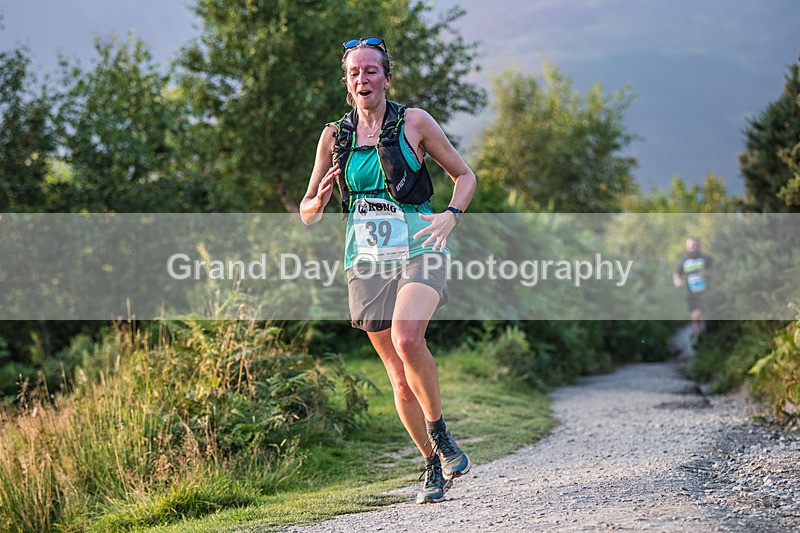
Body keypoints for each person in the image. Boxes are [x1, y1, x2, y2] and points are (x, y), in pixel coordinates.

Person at [299, 37, 477, 504]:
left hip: (420, 245)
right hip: (366, 258)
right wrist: (317, 202)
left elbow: (465, 176)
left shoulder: (414, 122)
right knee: (398, 376)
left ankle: (440, 433)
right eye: (354, 72)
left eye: (371, 70)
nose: (363, 78)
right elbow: (307, 211)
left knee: (407, 337)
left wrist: (451, 215)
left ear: (387, 78)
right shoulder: (334, 136)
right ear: (347, 82)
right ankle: (431, 464)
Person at [673, 236, 713, 344]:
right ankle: (698, 339)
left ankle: (709, 338)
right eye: (690, 245)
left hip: (707, 293)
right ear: (686, 247)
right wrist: (677, 281)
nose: (692, 247)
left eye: (694, 245)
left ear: (698, 246)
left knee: (706, 316)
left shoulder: (706, 259)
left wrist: (706, 274)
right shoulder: (684, 261)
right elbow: (677, 273)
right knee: (695, 316)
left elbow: (716, 271)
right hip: (691, 293)